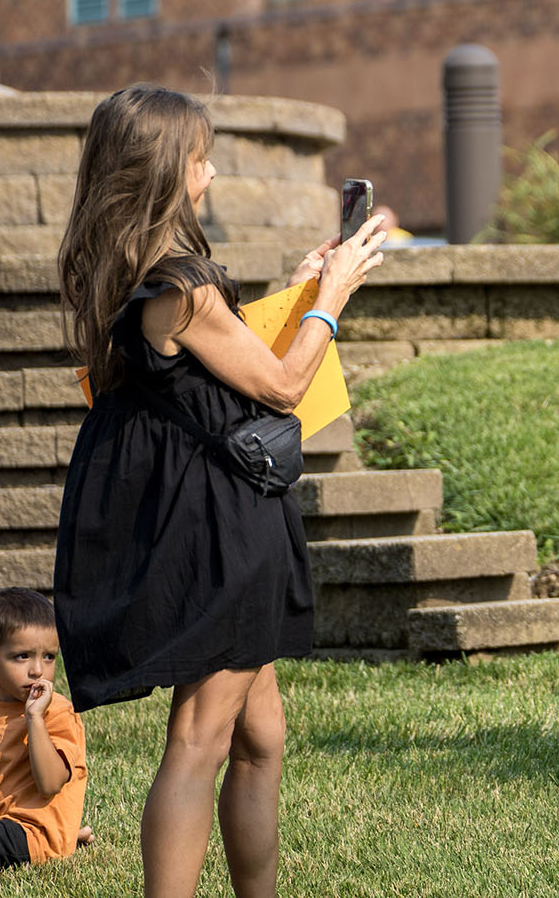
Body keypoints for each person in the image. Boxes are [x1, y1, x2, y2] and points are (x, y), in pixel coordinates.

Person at [53, 84, 387, 898]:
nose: (208, 171)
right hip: (217, 521)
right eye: (198, 157)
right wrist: (335, 301)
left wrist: (303, 291)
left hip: (206, 504)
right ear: (165, 171)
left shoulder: (132, 269)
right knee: (201, 733)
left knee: (260, 730)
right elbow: (278, 385)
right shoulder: (181, 283)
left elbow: (205, 372)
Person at [0, 589, 88, 869]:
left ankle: (65, 835)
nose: (38, 670)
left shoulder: (57, 713)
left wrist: (35, 718)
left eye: (48, 657)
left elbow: (49, 784)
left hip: (31, 833)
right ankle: (74, 833)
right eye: (22, 656)